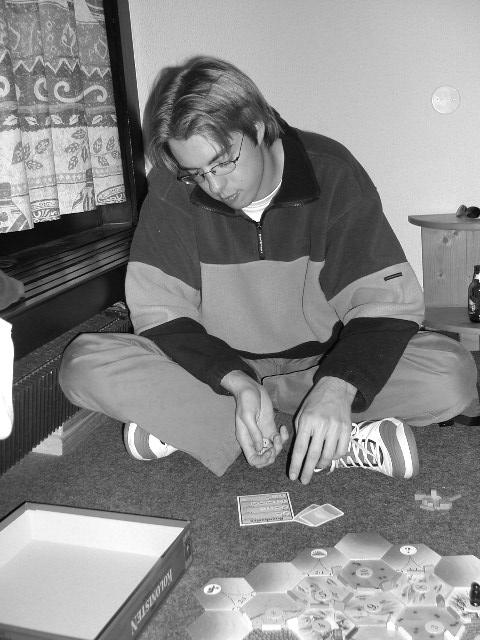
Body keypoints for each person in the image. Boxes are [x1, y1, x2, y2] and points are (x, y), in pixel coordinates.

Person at [59, 56, 477, 484]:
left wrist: (338, 386)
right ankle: (328, 438)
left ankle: (207, 426)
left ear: (257, 128)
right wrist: (237, 382)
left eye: (222, 163)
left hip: (318, 367)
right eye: (197, 173)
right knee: (83, 364)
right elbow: (160, 314)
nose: (215, 186)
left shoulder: (331, 171)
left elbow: (386, 307)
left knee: (451, 374)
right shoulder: (173, 186)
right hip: (217, 374)